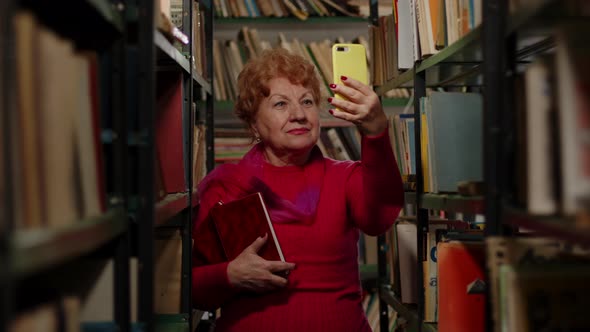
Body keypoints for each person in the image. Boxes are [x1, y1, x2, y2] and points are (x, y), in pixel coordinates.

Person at [192, 48, 404, 332]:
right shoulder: (228, 186)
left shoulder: (345, 176)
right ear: (254, 124)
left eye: (307, 102)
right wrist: (229, 275)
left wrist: (376, 132)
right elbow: (192, 289)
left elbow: (379, 219)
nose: (298, 115)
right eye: (280, 104)